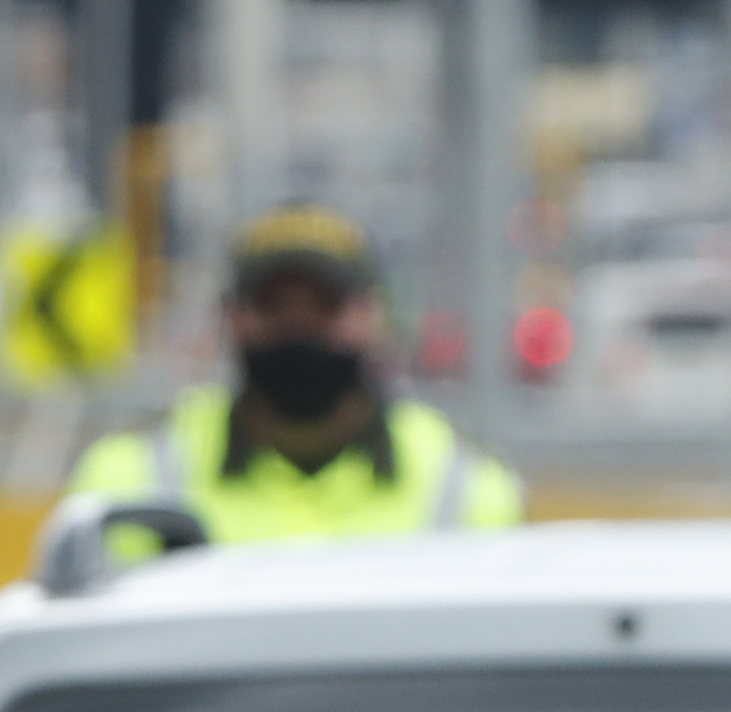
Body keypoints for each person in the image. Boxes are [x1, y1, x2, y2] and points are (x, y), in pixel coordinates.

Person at [67, 205, 524, 542]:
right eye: (274, 307)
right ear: (230, 317)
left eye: (325, 306)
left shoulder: (467, 487)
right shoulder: (128, 480)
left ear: (374, 315)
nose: (299, 328)